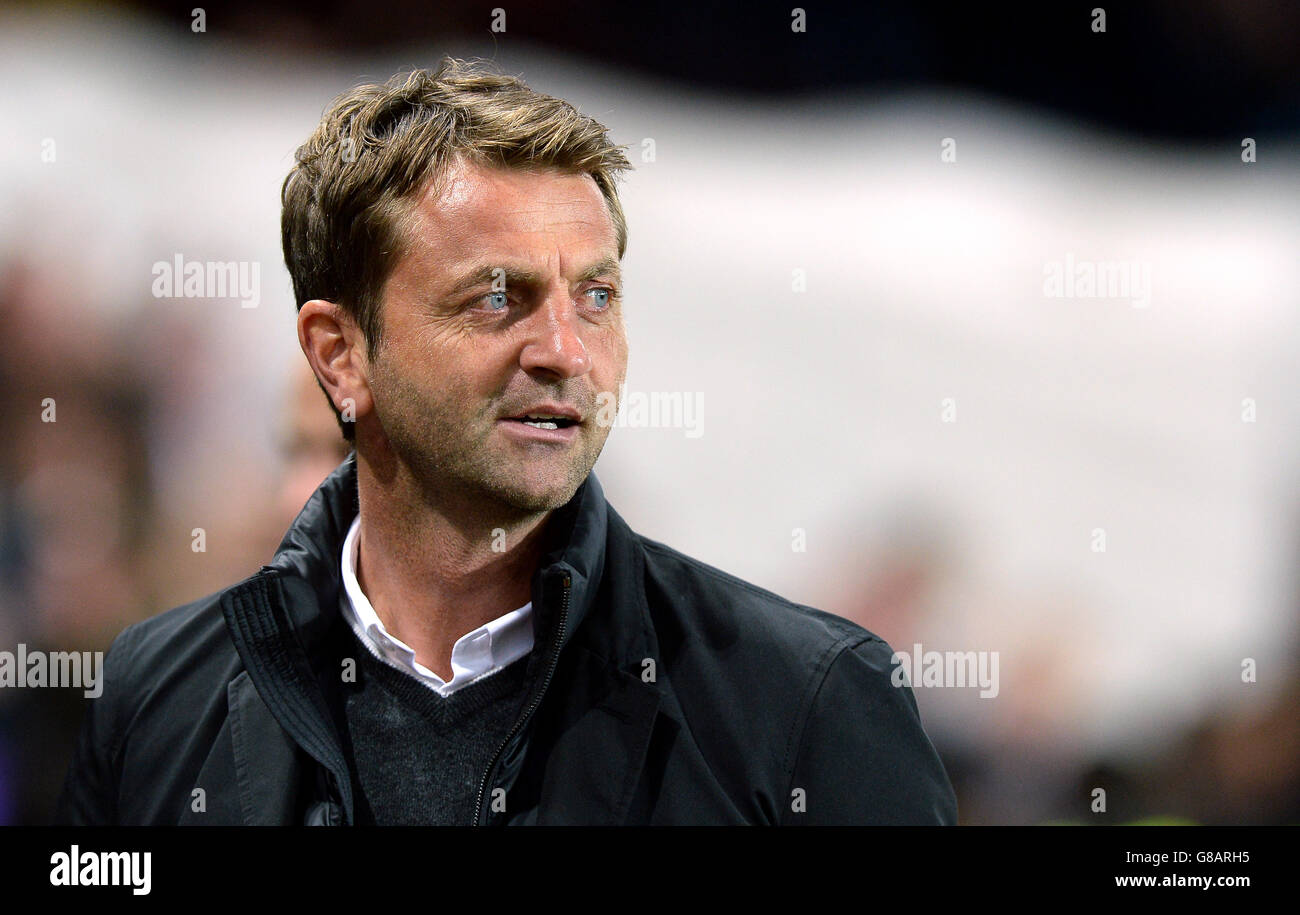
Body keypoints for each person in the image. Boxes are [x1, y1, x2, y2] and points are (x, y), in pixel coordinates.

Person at [54, 57, 958, 825]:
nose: (566, 352)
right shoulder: (157, 697)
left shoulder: (809, 707)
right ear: (341, 356)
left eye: (596, 297)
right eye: (496, 297)